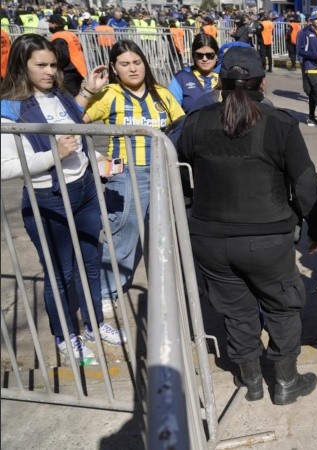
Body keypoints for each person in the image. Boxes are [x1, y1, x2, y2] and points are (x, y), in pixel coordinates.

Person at [177, 46, 317, 405]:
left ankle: (253, 382)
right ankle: (286, 383)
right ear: (263, 81)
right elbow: (306, 182)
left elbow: (177, 174)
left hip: (210, 240)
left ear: (220, 83)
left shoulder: (195, 121)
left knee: (236, 311)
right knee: (281, 308)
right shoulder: (280, 123)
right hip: (267, 241)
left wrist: (188, 211)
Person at [0, 34, 125, 366]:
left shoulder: (59, 94)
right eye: (40, 65)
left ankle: (95, 323)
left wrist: (86, 92)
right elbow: (5, 167)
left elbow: (73, 125)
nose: (49, 72)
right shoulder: (9, 108)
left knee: (91, 264)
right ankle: (66, 334)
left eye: (53, 65)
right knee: (61, 274)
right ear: (20, 66)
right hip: (48, 200)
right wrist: (54, 155)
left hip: (84, 192)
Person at [83, 40, 185, 319]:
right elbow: (69, 121)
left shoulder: (161, 93)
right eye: (125, 64)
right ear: (114, 68)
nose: (133, 68)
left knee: (164, 236)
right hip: (127, 176)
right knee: (124, 238)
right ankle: (104, 294)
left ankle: (167, 292)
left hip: (163, 173)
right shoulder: (108, 94)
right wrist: (94, 158)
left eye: (137, 62)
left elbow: (183, 127)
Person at [168, 33, 219, 114]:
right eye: (199, 55)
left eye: (210, 55)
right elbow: (171, 112)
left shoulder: (224, 77)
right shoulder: (181, 78)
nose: (205, 59)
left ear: (216, 56)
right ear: (193, 56)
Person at [48, 14, 87, 95]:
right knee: (76, 93)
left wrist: (57, 68)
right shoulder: (70, 34)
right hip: (78, 68)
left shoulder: (58, 37)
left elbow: (63, 56)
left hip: (68, 71)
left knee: (70, 96)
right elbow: (81, 48)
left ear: (55, 24)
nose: (49, 25)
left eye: (50, 23)